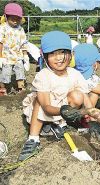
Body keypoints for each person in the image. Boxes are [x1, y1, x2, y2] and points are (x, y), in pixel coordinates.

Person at [18, 31, 93, 161]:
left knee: (78, 95)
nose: (59, 58)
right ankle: (33, 139)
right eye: (52, 54)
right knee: (38, 101)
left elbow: (85, 97)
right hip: (44, 110)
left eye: (63, 52)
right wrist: (62, 111)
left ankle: (59, 125)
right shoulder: (44, 75)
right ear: (45, 57)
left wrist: (92, 119)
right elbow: (46, 106)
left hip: (62, 111)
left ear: (70, 55)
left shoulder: (74, 74)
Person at [0, 3, 29, 94]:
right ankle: (3, 89)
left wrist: (25, 55)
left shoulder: (20, 29)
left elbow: (23, 42)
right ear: (6, 17)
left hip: (18, 56)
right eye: (13, 19)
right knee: (5, 73)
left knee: (20, 72)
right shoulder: (3, 28)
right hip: (6, 56)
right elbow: (0, 42)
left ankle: (21, 88)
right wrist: (0, 56)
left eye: (18, 19)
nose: (16, 22)